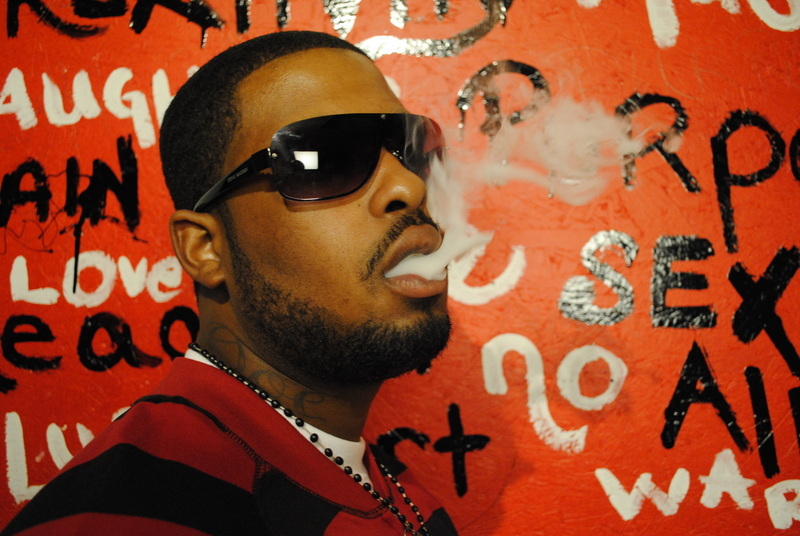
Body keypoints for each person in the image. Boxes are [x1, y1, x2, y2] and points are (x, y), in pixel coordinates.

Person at [1, 31, 458, 535]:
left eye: (414, 151)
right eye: (323, 159)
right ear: (205, 248)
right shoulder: (132, 515)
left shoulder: (395, 492)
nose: (410, 186)